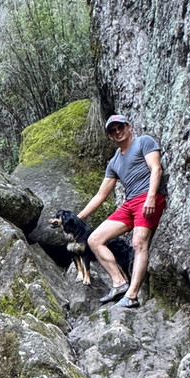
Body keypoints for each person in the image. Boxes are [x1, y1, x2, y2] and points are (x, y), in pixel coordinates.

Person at [76, 114, 167, 309]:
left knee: (138, 242)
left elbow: (156, 169)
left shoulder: (144, 142)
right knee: (94, 239)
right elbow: (101, 195)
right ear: (109, 136)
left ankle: (132, 296)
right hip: (129, 204)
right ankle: (119, 283)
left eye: (120, 127)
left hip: (148, 197)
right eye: (112, 130)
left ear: (129, 126)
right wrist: (79, 217)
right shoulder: (114, 162)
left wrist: (151, 196)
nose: (117, 132)